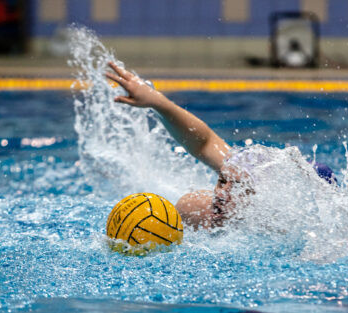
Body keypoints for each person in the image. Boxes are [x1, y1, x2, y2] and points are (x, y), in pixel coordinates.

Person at [105, 62, 336, 229]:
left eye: (236, 186)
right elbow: (204, 142)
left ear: (263, 198)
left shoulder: (285, 229)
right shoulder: (198, 211)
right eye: (222, 180)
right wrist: (157, 102)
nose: (221, 194)